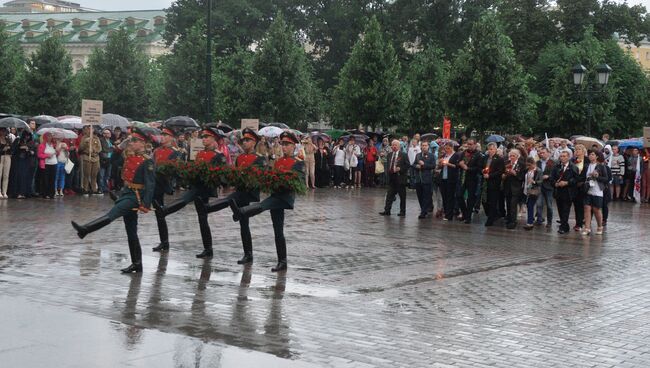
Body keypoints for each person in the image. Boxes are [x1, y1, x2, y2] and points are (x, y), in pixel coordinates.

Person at [71, 127, 156, 273]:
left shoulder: (147, 161)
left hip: (135, 196)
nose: (132, 142)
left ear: (143, 143)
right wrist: (119, 148)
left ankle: (86, 229)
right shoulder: (130, 156)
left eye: (135, 140)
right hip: (126, 192)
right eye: (131, 139)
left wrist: (146, 204)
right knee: (131, 232)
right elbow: (114, 162)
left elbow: (150, 184)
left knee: (112, 214)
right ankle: (137, 263)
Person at [230, 131, 304, 272]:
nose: (284, 147)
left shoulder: (298, 163)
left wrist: (283, 181)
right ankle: (282, 261)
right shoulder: (278, 162)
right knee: (278, 231)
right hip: (276, 195)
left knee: (263, 205)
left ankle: (241, 212)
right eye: (283, 144)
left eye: (287, 144)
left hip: (285, 198)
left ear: (294, 145)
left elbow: (298, 181)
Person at [153, 127, 227, 259]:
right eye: (203, 137)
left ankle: (165, 211)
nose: (203, 140)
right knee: (202, 218)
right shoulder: (199, 154)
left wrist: (209, 176)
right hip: (196, 185)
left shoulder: (218, 155)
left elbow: (221, 176)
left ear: (213, 139)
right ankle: (208, 249)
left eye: (206, 137)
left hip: (205, 188)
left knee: (192, 207)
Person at [200, 128, 266, 264]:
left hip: (249, 193)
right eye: (244, 140)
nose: (245, 143)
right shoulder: (240, 157)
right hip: (240, 191)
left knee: (229, 200)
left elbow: (260, 177)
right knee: (243, 223)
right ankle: (248, 254)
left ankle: (207, 208)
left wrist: (246, 178)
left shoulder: (260, 159)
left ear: (254, 142)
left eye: (248, 140)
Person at [150, 127, 183, 252]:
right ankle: (164, 241)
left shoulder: (175, 152)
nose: (162, 137)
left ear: (171, 138)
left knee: (159, 212)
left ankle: (164, 241)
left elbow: (177, 170)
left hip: (163, 183)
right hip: (155, 182)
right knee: (159, 213)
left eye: (165, 135)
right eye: (162, 135)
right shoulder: (157, 151)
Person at [582, 150, 609, 236]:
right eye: (589, 154)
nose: (590, 156)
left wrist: (597, 177)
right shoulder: (586, 166)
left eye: (593, 154)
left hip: (597, 191)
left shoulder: (601, 166)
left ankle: (600, 226)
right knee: (586, 208)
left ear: (597, 156)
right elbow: (583, 177)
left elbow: (606, 179)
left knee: (596, 210)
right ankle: (587, 228)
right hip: (588, 190)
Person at [379, 139, 409, 216]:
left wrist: (401, 169)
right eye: (393, 145)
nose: (394, 146)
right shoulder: (389, 154)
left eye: (396, 145)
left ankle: (402, 211)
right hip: (392, 177)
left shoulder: (403, 155)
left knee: (402, 196)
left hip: (400, 177)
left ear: (399, 146)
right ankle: (387, 210)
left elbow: (408, 165)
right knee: (389, 195)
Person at [551, 151, 578, 234]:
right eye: (561, 156)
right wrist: (555, 183)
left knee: (566, 209)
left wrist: (567, 183)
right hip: (558, 191)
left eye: (564, 156)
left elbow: (576, 179)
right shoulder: (556, 166)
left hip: (568, 192)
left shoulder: (573, 167)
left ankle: (563, 227)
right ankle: (565, 225)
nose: (562, 158)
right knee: (560, 209)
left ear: (568, 157)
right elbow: (552, 178)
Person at [458, 139, 483, 223]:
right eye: (468, 144)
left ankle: (468, 217)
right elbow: (459, 162)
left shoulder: (478, 155)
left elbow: (479, 168)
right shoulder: (464, 153)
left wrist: (467, 168)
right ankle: (465, 213)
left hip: (472, 179)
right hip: (463, 178)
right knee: (459, 195)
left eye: (471, 144)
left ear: (475, 144)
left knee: (470, 199)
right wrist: (460, 164)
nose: (469, 146)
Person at [483, 142, 505, 226]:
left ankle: (490, 219)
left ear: (495, 149)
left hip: (494, 183)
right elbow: (482, 166)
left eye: (492, 149)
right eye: (489, 149)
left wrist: (490, 175)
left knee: (493, 201)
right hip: (485, 182)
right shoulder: (485, 158)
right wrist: (483, 171)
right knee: (485, 201)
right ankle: (492, 214)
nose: (490, 151)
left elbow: (500, 171)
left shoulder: (499, 159)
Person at [502, 149, 525, 229]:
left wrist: (515, 174)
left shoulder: (521, 164)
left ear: (517, 156)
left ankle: (513, 221)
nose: (511, 157)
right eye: (510, 156)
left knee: (513, 204)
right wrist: (503, 176)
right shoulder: (506, 163)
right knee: (508, 203)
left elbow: (522, 177)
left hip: (516, 188)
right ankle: (509, 219)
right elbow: (503, 173)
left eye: (513, 156)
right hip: (507, 187)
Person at [413, 141, 436, 219]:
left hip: (426, 179)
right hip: (418, 179)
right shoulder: (418, 155)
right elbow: (413, 164)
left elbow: (433, 166)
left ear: (428, 147)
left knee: (426, 196)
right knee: (420, 196)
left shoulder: (431, 156)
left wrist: (423, 165)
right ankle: (424, 210)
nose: (424, 147)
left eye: (425, 145)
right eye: (423, 145)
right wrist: (416, 166)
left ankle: (423, 212)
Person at [535, 147, 556, 227]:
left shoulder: (553, 162)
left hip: (549, 187)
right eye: (540, 153)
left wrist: (549, 176)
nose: (541, 154)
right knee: (539, 204)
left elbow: (555, 174)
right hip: (540, 186)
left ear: (548, 153)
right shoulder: (538, 163)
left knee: (549, 205)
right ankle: (539, 219)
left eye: (543, 152)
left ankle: (549, 221)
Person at [78, 126, 101, 195]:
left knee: (94, 175)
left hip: (95, 158)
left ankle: (94, 189)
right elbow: (80, 148)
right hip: (87, 157)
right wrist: (85, 142)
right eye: (88, 129)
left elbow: (100, 148)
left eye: (91, 129)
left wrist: (94, 150)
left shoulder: (96, 138)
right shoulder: (84, 138)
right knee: (86, 174)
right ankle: (85, 188)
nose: (89, 130)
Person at [523, 157, 542, 230]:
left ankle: (529, 223)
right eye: (527, 165)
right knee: (528, 206)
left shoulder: (538, 170)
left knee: (530, 206)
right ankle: (531, 219)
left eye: (530, 165)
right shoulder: (527, 170)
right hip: (526, 190)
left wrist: (534, 182)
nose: (528, 167)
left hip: (533, 191)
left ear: (533, 164)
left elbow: (541, 181)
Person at [571, 144, 587, 231]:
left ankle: (585, 221)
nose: (577, 151)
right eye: (576, 150)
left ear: (583, 151)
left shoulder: (587, 160)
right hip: (575, 185)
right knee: (577, 205)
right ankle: (578, 223)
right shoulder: (573, 161)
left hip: (584, 185)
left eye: (579, 149)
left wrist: (582, 181)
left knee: (585, 205)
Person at [37, 133, 57, 199]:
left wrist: (57, 151)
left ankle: (52, 193)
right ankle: (45, 193)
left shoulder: (53, 144)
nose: (50, 137)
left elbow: (56, 153)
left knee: (52, 179)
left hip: (54, 163)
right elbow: (39, 155)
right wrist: (47, 155)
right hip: (46, 164)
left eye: (51, 136)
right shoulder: (42, 145)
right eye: (48, 136)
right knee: (46, 179)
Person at [98, 129, 113, 194]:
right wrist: (112, 148)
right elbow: (104, 149)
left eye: (108, 133)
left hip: (110, 159)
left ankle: (106, 188)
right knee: (101, 175)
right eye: (105, 133)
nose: (107, 134)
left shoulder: (111, 141)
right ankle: (101, 188)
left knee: (107, 175)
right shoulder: (101, 140)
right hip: (103, 159)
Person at [0, 128, 12, 198]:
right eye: (2, 131)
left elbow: (12, 148)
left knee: (6, 175)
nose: (3, 132)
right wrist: (2, 150)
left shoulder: (8, 139)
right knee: (0, 174)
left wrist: (9, 149)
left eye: (4, 131)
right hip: (0, 157)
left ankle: (4, 191)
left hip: (7, 157)